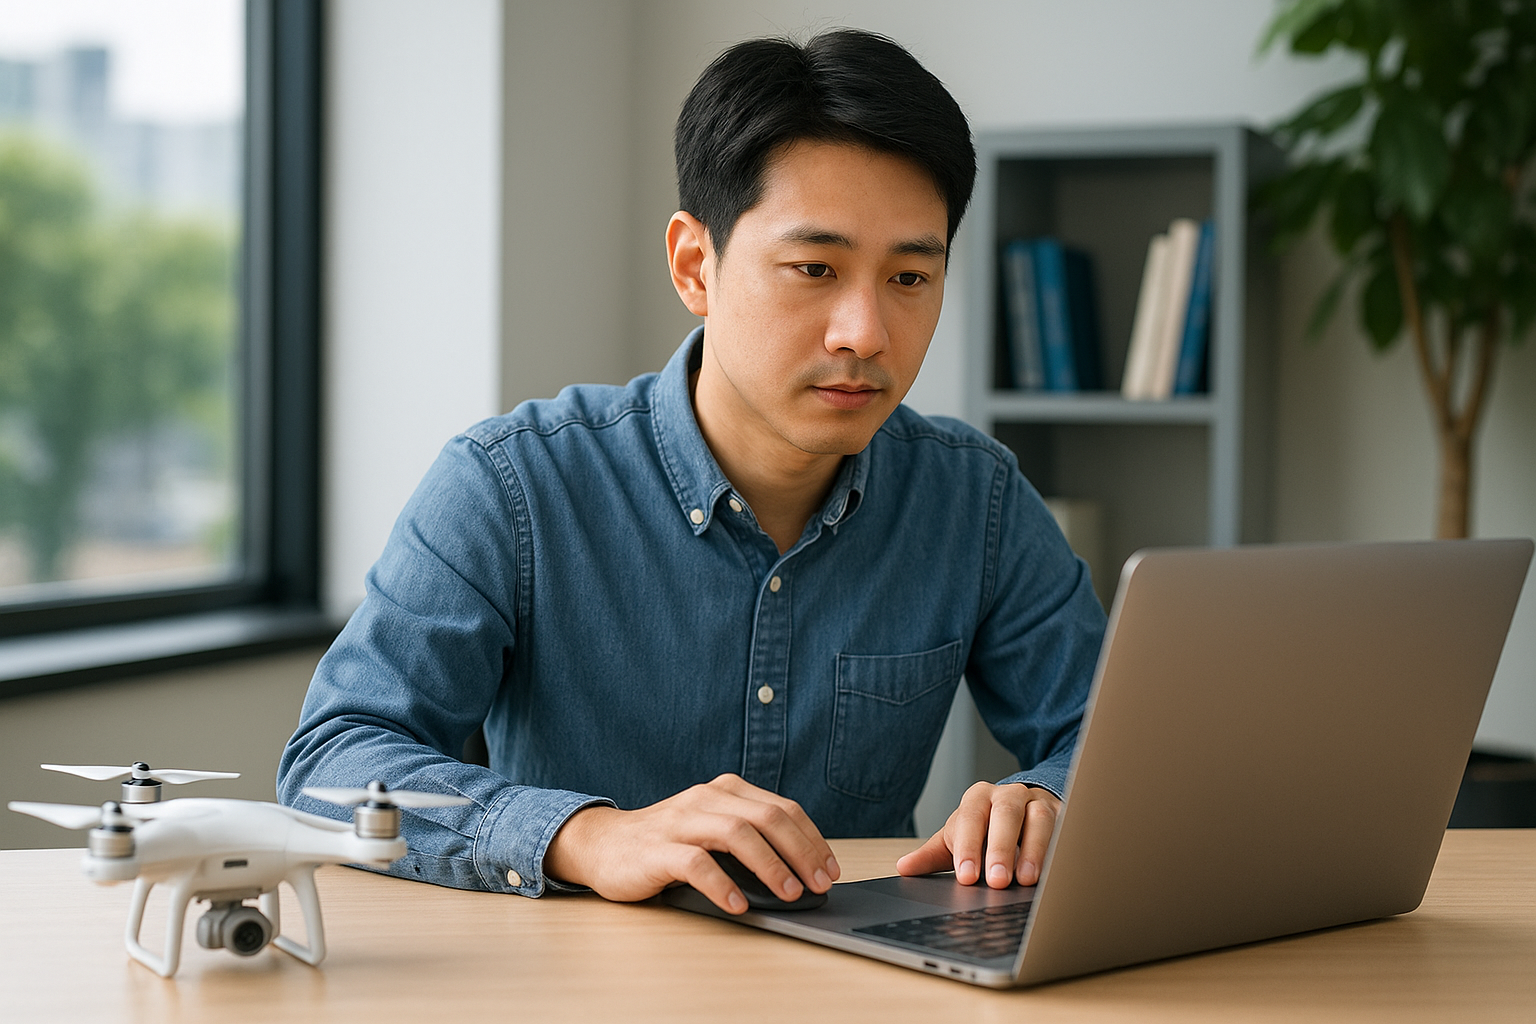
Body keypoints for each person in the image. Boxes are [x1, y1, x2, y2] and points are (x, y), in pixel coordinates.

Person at [277, 28, 1105, 916]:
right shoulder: (510, 486)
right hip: (572, 984)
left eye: (909, 278)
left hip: (861, 986)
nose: (863, 333)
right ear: (693, 265)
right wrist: (584, 834)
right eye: (815, 268)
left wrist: (1048, 800)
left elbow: (1116, 744)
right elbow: (332, 766)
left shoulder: (972, 499)